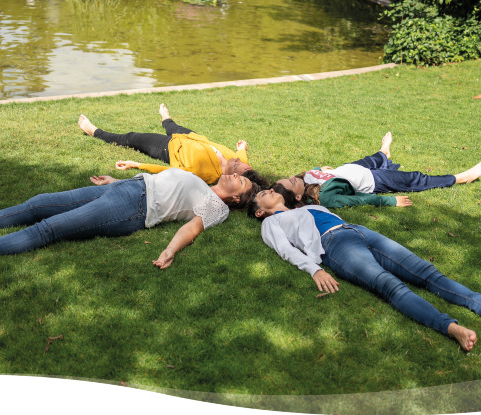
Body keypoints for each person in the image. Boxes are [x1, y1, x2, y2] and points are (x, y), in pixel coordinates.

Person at [247, 189, 479, 351]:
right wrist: (314, 269)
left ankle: (476, 301)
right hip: (334, 244)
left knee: (426, 271)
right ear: (259, 211)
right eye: (262, 194)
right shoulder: (270, 222)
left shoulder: (307, 206)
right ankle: (451, 328)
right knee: (390, 286)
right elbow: (285, 250)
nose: (269, 190)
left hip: (358, 230)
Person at [0, 169, 258, 269]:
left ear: (237, 199)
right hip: (127, 187)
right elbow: (162, 182)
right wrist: (115, 181)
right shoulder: (205, 184)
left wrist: (170, 250)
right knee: (40, 203)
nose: (236, 175)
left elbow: (193, 228)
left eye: (241, 181)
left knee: (50, 228)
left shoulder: (217, 208)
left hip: (133, 207)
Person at [272, 132, 481, 209]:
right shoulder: (325, 197)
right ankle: (462, 177)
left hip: (349, 169)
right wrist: (389, 201)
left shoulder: (304, 179)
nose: (293, 177)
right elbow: (358, 200)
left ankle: (383, 152)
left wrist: (320, 169)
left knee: (373, 158)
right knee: (414, 179)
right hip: (372, 180)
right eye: (292, 182)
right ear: (298, 196)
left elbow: (315, 171)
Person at [78, 104, 252, 185]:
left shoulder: (204, 174)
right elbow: (242, 157)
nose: (237, 160)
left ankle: (95, 132)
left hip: (169, 147)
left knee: (132, 138)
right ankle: (166, 119)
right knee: (172, 126)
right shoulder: (241, 163)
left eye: (237, 164)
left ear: (233, 176)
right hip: (193, 137)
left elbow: (167, 171)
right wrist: (241, 148)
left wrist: (137, 164)